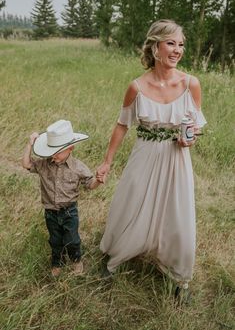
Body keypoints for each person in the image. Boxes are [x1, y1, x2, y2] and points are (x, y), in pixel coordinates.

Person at [96, 19, 207, 298]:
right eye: (171, 43)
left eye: (181, 44)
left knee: (177, 212)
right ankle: (117, 257)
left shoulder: (191, 84)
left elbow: (195, 126)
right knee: (131, 203)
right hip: (144, 154)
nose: (177, 49)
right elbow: (122, 125)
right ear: (155, 47)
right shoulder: (136, 87)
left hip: (176, 160)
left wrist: (190, 137)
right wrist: (107, 161)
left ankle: (179, 277)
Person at [22, 119, 101, 277]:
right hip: (50, 212)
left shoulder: (78, 167)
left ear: (70, 148)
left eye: (58, 151)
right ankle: (57, 262)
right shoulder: (44, 164)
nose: (53, 155)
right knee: (55, 240)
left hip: (69, 211)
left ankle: (76, 260)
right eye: (51, 150)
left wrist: (98, 180)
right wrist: (29, 144)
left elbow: (90, 184)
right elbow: (26, 164)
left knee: (72, 239)